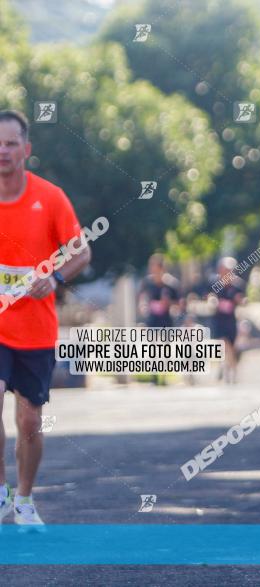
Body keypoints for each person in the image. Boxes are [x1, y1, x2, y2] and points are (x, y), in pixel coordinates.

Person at [0, 110, 92, 526]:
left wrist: (53, 277)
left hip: (35, 329)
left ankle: (23, 499)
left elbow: (81, 251)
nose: (3, 151)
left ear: (26, 149)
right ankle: (1, 494)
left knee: (29, 420)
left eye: (11, 143)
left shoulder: (50, 197)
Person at [210, 257, 245, 384]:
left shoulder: (237, 285)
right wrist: (212, 301)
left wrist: (240, 300)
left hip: (231, 321)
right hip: (219, 320)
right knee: (223, 344)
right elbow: (208, 297)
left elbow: (242, 300)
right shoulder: (214, 284)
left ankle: (232, 371)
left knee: (232, 347)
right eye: (224, 270)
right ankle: (223, 368)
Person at [138, 253, 181, 328]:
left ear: (162, 268)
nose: (151, 269)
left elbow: (179, 303)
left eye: (154, 266)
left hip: (166, 322)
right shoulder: (147, 282)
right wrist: (142, 305)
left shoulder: (171, 283)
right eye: (150, 265)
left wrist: (168, 303)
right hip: (151, 321)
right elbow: (141, 297)